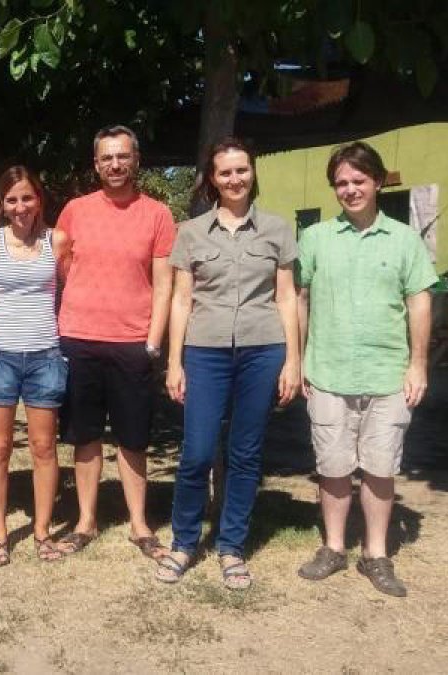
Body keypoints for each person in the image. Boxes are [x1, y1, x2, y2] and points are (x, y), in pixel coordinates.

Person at [157, 138, 301, 588]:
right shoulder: (191, 232)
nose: (235, 179)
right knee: (197, 452)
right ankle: (184, 542)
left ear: (252, 172)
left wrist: (293, 361)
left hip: (263, 349)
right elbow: (181, 300)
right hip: (206, 352)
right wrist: (174, 362)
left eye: (242, 170)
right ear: (212, 179)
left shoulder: (277, 229)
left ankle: (231, 546)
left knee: (245, 453)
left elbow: (286, 298)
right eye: (225, 172)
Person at [296, 141, 436, 598]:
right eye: (341, 183)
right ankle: (334, 548)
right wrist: (298, 359)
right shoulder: (315, 238)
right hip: (327, 372)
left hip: (387, 374)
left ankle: (376, 555)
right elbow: (300, 299)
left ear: (377, 182)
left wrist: (418, 364)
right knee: (333, 466)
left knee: (379, 468)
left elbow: (419, 301)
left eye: (358, 180)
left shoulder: (405, 239)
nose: (350, 189)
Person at [56, 125, 176, 558]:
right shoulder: (75, 211)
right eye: (107, 157)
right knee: (84, 434)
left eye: (123, 156)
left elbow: (164, 285)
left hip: (133, 342)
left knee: (133, 436)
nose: (115, 164)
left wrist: (153, 343)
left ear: (136, 160)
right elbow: (61, 267)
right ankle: (85, 521)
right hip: (79, 338)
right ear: (96, 164)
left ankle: (139, 524)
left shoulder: (158, 215)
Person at [0, 166, 73, 565]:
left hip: (45, 356)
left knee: (44, 448)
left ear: (38, 200)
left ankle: (42, 532)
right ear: (2, 204)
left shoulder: (57, 241)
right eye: (11, 200)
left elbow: (69, 292)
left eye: (27, 197)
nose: (20, 206)